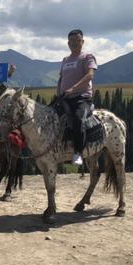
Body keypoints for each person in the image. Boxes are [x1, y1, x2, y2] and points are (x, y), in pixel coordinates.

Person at [56, 29, 97, 166]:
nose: (74, 43)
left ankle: (78, 152)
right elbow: (61, 78)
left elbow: (90, 75)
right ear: (68, 43)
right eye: (71, 41)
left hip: (82, 97)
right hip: (64, 98)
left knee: (78, 118)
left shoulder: (87, 57)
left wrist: (74, 88)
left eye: (77, 40)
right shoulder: (65, 60)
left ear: (82, 42)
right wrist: (58, 93)